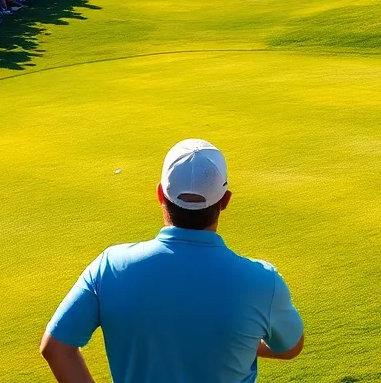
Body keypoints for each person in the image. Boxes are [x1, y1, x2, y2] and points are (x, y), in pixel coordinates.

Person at [41, 139, 303, 383]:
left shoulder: (110, 266)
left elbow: (56, 348)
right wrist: (234, 337)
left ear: (159, 194)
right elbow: (290, 347)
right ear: (225, 201)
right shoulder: (263, 282)